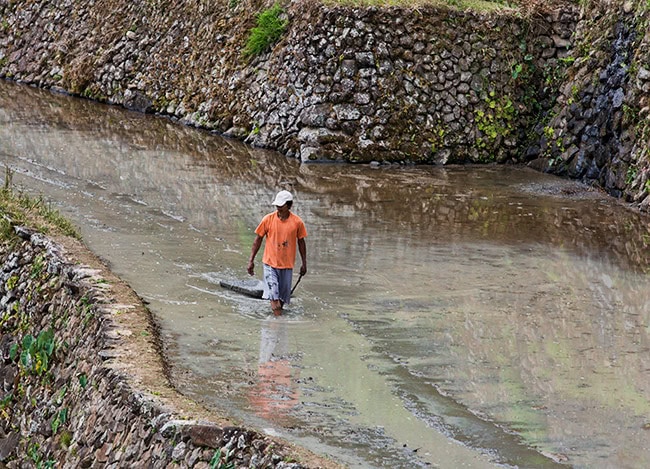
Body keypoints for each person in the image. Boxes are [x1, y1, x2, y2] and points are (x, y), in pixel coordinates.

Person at [247, 190, 307, 315]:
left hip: (287, 265)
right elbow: (258, 240)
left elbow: (301, 242)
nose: (278, 208)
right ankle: (278, 326)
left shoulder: (297, 222)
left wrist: (304, 263)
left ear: (289, 205)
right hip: (270, 264)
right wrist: (251, 260)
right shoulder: (268, 219)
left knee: (282, 300)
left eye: (282, 206)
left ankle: (277, 321)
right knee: (274, 297)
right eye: (277, 206)